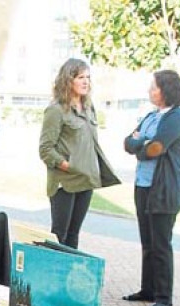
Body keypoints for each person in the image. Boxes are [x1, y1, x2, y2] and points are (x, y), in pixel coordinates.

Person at [121, 70, 180, 306]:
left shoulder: (176, 117)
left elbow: (157, 148)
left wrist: (142, 143)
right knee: (147, 242)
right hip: (143, 186)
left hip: (164, 189)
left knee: (161, 243)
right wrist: (141, 143)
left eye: (154, 87)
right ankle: (147, 289)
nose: (150, 90)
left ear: (166, 90)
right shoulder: (151, 116)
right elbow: (128, 142)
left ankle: (163, 296)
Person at [38, 58, 120, 249]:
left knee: (74, 234)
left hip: (85, 180)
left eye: (88, 77)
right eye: (80, 77)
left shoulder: (89, 108)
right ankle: (52, 275)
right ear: (68, 80)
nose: (86, 82)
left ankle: (67, 277)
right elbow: (45, 149)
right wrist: (67, 166)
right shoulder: (56, 110)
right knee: (60, 234)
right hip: (65, 182)